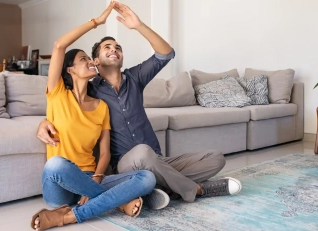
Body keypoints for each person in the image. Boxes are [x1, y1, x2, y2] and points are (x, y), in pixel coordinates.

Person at [37, 1, 242, 211]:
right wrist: (43, 122)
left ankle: (159, 187)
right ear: (96, 61)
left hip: (154, 160)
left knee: (215, 158)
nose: (113, 49)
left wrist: (138, 25)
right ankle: (195, 190)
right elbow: (62, 100)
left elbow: (166, 54)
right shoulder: (91, 89)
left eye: (117, 47)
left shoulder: (132, 79)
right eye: (106, 47)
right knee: (141, 154)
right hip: (127, 165)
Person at [30, 2, 156, 231]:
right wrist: (96, 22)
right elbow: (59, 46)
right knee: (55, 164)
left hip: (91, 177)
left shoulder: (101, 106)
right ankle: (117, 203)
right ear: (69, 69)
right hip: (59, 185)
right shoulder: (57, 93)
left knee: (147, 178)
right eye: (83, 60)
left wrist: (96, 179)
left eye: (90, 58)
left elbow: (105, 152)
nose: (90, 61)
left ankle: (68, 216)